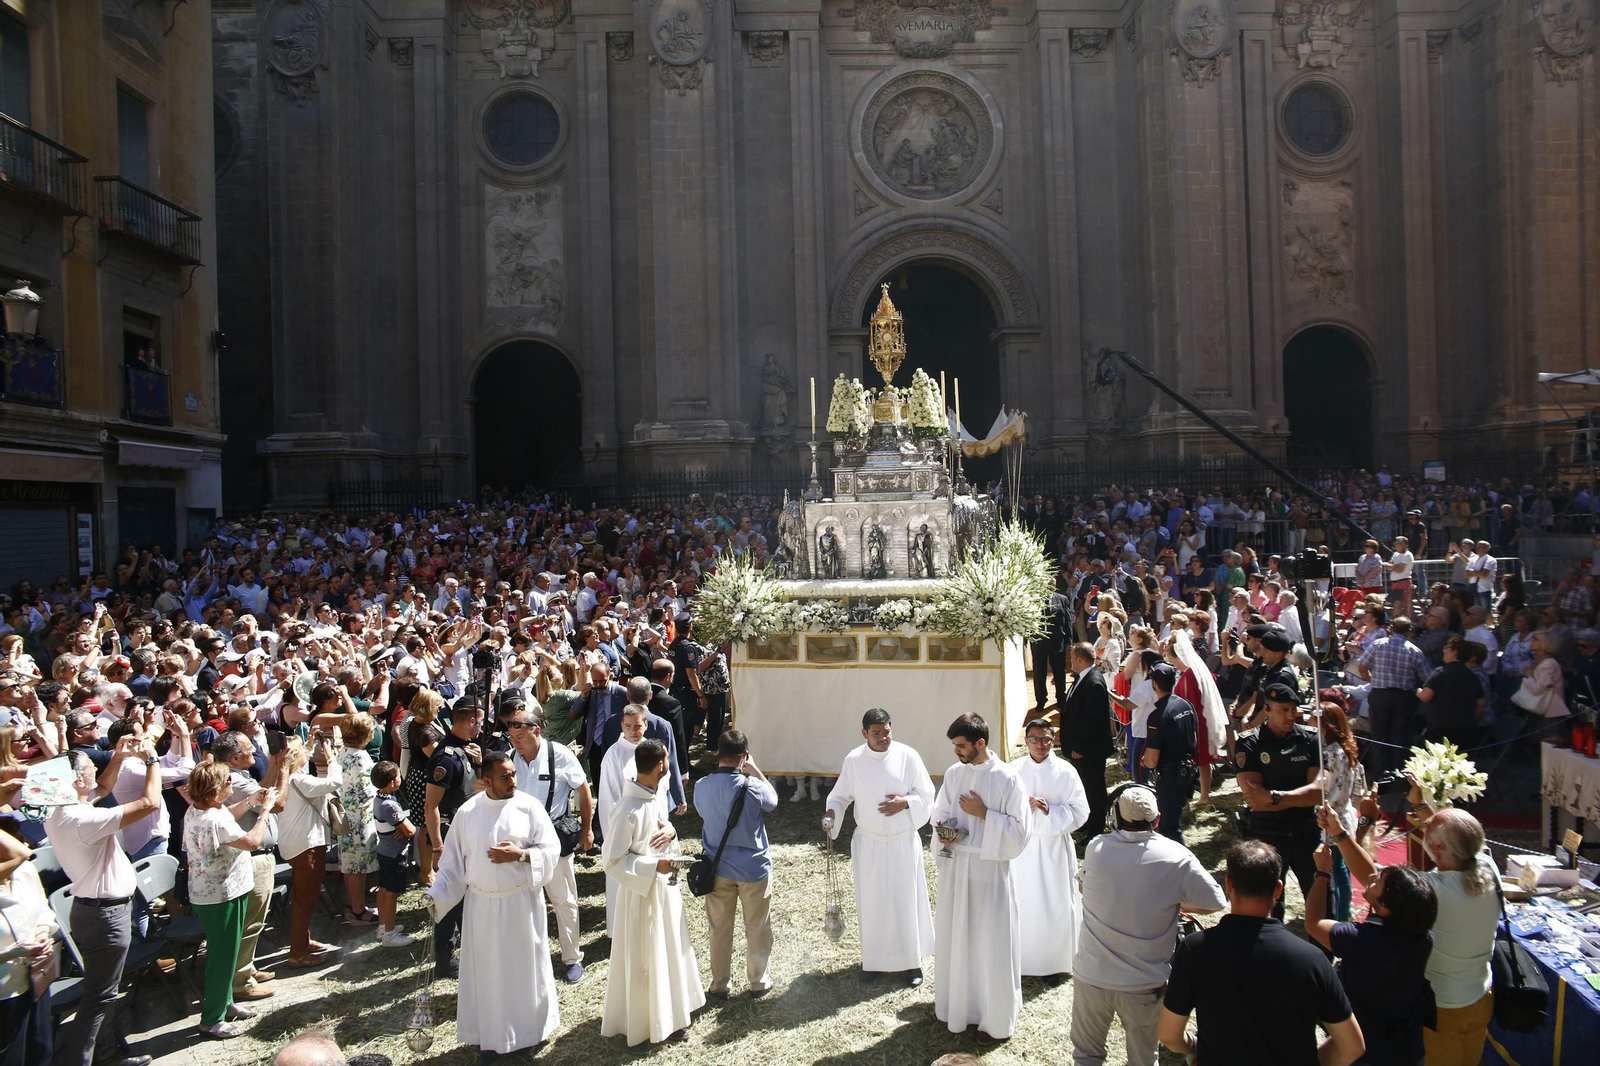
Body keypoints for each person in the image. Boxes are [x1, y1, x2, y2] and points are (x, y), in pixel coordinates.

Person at [1326, 789, 1499, 1066]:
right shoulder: (1488, 866)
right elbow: (1462, 840)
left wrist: (1340, 834)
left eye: (1430, 829)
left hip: (1444, 1007)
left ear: (1439, 849)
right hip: (1482, 996)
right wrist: (1419, 805)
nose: (1424, 826)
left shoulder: (1432, 888)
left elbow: (1372, 877)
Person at [1160, 841, 1365, 1066]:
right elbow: (1352, 1046)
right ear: (1278, 889)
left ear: (1228, 884)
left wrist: (1193, 1048)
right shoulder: (1312, 959)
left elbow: (1170, 1035)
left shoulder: (1195, 950)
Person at [1070, 785, 1226, 1066]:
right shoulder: (1176, 855)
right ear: (1157, 819)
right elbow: (1216, 901)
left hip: (1091, 975)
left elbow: (1083, 886)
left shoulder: (1096, 848)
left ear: (1115, 817)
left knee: (1086, 1057)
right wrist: (1174, 903)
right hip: (1144, 982)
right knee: (1143, 1059)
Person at [422, 749, 562, 1059]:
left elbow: (551, 850)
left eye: (513, 774)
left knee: (522, 972)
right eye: (505, 776)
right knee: (489, 975)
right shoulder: (468, 813)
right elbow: (453, 864)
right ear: (486, 780)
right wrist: (437, 894)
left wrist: (522, 855)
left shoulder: (530, 807)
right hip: (483, 907)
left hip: (520, 904)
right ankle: (491, 1038)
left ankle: (526, 1037)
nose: (513, 780)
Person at [46, 744, 162, 1066]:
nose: (94, 773)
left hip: (99, 911)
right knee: (99, 998)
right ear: (76, 781)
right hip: (105, 915)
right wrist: (152, 759)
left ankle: (108, 1056)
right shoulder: (82, 819)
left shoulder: (61, 811)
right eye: (88, 770)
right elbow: (150, 802)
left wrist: (121, 757)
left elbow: (104, 788)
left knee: (104, 994)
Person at [931, 713, 1031, 1045]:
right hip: (959, 868)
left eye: (961, 746)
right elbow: (940, 814)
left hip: (990, 871)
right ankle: (959, 1008)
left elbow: (1020, 833)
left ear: (980, 743)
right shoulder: (954, 774)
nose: (956, 752)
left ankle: (993, 1016)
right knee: (959, 936)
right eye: (955, 746)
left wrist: (984, 814)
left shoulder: (1007, 778)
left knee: (990, 941)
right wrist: (944, 831)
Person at [600, 738, 705, 1045]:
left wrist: (672, 832)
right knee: (647, 958)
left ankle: (670, 1015)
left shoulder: (653, 798)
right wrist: (652, 868)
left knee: (668, 950)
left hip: (663, 893)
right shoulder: (626, 809)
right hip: (640, 896)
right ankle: (644, 1024)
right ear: (660, 765)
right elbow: (613, 860)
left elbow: (661, 832)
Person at [823, 707, 936, 987]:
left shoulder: (908, 756)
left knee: (904, 901)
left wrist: (906, 802)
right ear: (864, 734)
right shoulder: (854, 760)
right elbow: (839, 796)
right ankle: (874, 961)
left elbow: (926, 793)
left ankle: (911, 962)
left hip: (900, 841)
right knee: (872, 902)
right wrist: (831, 814)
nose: (883, 738)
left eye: (886, 732)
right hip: (870, 844)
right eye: (876, 734)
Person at [1305, 834, 1438, 1066]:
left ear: (1384, 906)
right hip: (1407, 1048)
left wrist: (1323, 874)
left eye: (1379, 880)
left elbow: (1314, 923)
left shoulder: (1357, 939)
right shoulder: (1423, 938)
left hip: (1362, 1050)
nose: (1372, 877)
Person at [181, 760, 279, 1039]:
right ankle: (211, 1019)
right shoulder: (212, 817)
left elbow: (228, 816)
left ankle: (225, 1004)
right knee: (222, 957)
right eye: (227, 782)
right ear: (216, 788)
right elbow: (250, 841)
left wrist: (250, 801)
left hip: (221, 891)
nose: (230, 786)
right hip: (219, 897)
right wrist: (264, 812)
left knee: (229, 952)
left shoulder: (202, 808)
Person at [508, 701, 594, 982]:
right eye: (512, 737)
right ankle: (528, 959)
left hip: (554, 839)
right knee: (523, 901)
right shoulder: (509, 759)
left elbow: (582, 791)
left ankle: (572, 958)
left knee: (564, 900)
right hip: (520, 841)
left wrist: (586, 830)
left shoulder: (558, 755)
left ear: (536, 730)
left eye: (520, 736)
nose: (516, 742)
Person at [693, 729, 779, 998]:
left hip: (717, 867)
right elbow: (773, 800)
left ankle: (719, 984)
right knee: (757, 927)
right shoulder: (752, 787)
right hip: (753, 868)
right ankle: (758, 981)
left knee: (719, 929)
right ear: (744, 756)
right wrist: (755, 771)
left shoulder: (701, 786)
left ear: (719, 753)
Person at [1234, 682, 1323, 922]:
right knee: (1268, 908)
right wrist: (1298, 797)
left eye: (1294, 709)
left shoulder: (1310, 739)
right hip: (1268, 836)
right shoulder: (1250, 743)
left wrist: (1275, 797)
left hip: (1307, 834)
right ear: (1267, 710)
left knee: (1322, 902)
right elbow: (1255, 799)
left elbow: (1318, 792)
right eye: (1284, 709)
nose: (1292, 715)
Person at [212, 730, 287, 999]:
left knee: (254, 920)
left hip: (253, 858)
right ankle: (240, 982)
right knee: (250, 922)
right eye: (248, 749)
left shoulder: (238, 778)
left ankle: (247, 967)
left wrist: (275, 764)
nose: (253, 752)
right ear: (234, 758)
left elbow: (262, 789)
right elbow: (277, 802)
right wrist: (285, 771)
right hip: (253, 859)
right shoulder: (237, 782)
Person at [1011, 718, 1088, 982]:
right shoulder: (1014, 770)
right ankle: (1022, 958)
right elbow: (1003, 806)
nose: (1040, 745)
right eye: (1034, 739)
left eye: (1046, 739)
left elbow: (1081, 811)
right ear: (1026, 739)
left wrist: (1049, 810)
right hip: (1024, 847)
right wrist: (1024, 807)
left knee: (1055, 903)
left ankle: (1055, 963)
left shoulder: (1066, 771)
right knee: (1025, 900)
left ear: (1053, 739)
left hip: (1055, 846)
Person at [423, 697, 484, 977]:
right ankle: (445, 959)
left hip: (469, 833)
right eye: (479, 721)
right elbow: (432, 805)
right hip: (450, 837)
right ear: (470, 721)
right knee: (451, 898)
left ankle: (470, 947)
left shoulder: (466, 751)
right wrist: (437, 846)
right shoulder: (445, 757)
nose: (481, 726)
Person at [280, 733, 345, 968]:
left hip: (297, 845)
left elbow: (303, 758)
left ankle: (303, 940)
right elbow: (334, 782)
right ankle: (297, 953)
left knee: (303, 897)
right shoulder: (299, 781)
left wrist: (309, 745)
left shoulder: (287, 779)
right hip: (306, 847)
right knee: (304, 900)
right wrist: (331, 758)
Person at [0, 826, 57, 1066]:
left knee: (41, 1050)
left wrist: (43, 931)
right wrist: (16, 952)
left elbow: (43, 908)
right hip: (4, 991)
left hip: (35, 977)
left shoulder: (24, 871)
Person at [1355, 615, 1431, 772]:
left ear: (1391, 629)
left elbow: (1362, 667)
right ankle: (1397, 772)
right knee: (1400, 735)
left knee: (1379, 735)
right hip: (1403, 698)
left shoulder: (1378, 645)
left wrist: (1372, 681)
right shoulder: (1414, 650)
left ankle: (1380, 772)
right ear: (1409, 631)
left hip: (1380, 694)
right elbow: (1426, 678)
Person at [1060, 642, 1113, 836]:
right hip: (1080, 749)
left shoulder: (1093, 683)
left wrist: (1080, 747)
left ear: (1080, 660)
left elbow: (1092, 721)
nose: (1070, 660)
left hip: (1089, 752)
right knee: (1083, 787)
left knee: (1093, 790)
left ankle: (1096, 828)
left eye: (1072, 657)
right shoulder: (1083, 678)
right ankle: (1086, 822)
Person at [1142, 663, 1198, 844]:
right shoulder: (1186, 705)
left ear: (1155, 684)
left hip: (1170, 775)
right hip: (1188, 771)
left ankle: (1181, 866)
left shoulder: (1158, 716)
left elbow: (1152, 759)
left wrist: (1144, 762)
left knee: (1169, 827)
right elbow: (1195, 739)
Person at [368, 761, 416, 947]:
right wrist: (404, 825)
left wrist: (401, 825)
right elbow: (410, 831)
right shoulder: (390, 805)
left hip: (384, 851)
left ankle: (383, 926)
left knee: (384, 889)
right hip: (394, 854)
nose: (400, 779)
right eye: (397, 776)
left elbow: (401, 826)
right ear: (391, 782)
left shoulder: (380, 799)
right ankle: (389, 934)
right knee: (391, 894)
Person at [1418, 636, 1487, 745]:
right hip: (1465, 728)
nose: (1444, 650)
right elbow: (1480, 703)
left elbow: (1425, 696)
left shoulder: (1441, 672)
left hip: (1440, 727)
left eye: (1447, 647)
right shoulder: (1473, 677)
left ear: (1455, 652)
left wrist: (1417, 691)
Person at [1031, 578, 1071, 713]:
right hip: (1039, 641)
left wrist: (1068, 641)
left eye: (1052, 584)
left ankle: (1061, 698)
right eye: (1047, 584)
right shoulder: (1033, 599)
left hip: (1057, 640)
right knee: (1039, 672)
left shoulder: (1062, 599)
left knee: (1059, 671)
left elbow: (1067, 621)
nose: (1050, 586)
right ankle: (1041, 700)